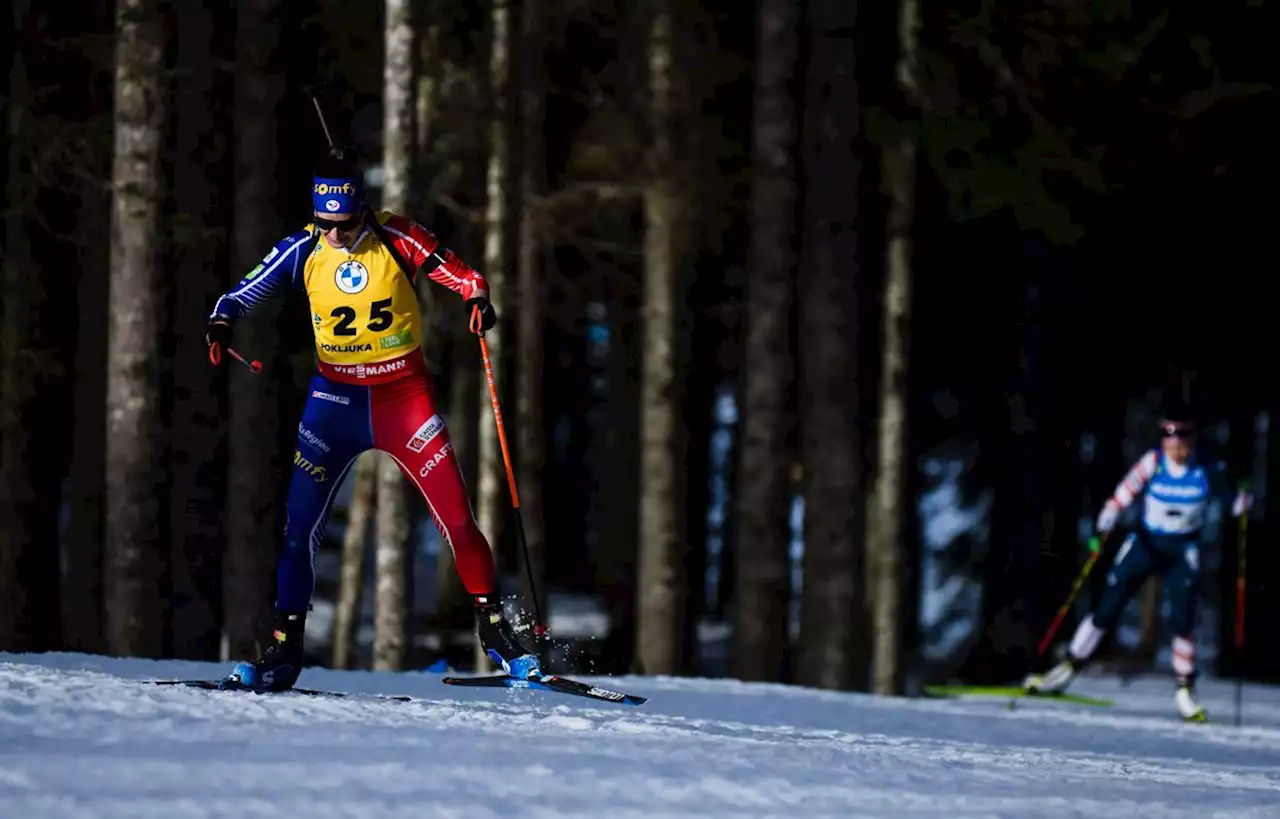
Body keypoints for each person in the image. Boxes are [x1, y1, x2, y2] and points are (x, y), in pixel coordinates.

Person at [205, 149, 539, 691]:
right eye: (325, 224)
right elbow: (239, 294)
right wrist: (221, 322)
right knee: (298, 531)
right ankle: (284, 651)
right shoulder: (303, 248)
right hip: (333, 403)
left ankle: (499, 636)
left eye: (344, 223)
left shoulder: (397, 236)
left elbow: (465, 276)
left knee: (456, 518)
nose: (335, 235)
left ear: (363, 209)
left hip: (403, 399)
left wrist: (478, 299)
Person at [1023, 406, 1250, 721]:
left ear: (1193, 437)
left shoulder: (1208, 466)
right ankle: (1067, 668)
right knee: (1107, 607)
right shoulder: (1153, 461)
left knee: (1183, 617)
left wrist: (1240, 503)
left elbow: (1232, 501)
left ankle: (1185, 690)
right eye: (1169, 435)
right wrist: (1110, 512)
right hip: (1145, 543)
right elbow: (1125, 491)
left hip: (1182, 548)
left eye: (1183, 435)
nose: (1176, 444)